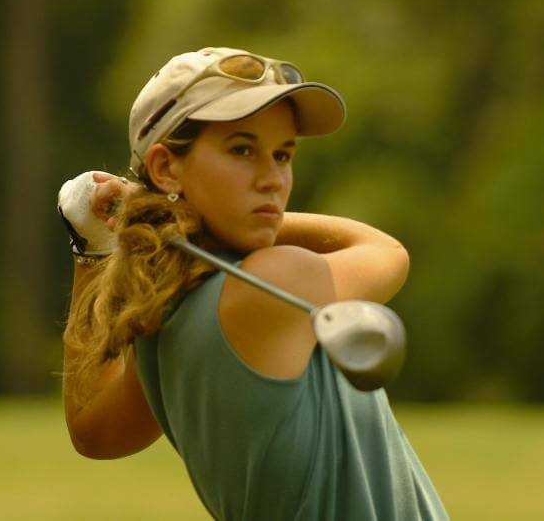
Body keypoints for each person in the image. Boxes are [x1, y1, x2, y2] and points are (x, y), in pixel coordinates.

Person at [56, 47, 448, 520]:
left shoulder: (162, 316)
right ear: (165, 168)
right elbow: (387, 252)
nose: (273, 179)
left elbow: (94, 433)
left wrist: (94, 248)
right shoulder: (271, 282)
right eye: (242, 149)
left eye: (282, 154)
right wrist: (192, 221)